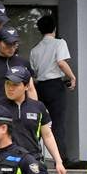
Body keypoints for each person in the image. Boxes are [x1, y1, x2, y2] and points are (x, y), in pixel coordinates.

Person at [29, 15, 76, 162]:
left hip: (40, 87)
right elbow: (61, 62)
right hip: (55, 85)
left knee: (36, 121)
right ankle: (61, 158)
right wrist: (72, 77)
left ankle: (33, 155)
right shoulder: (59, 43)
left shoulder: (34, 50)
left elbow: (34, 71)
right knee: (57, 122)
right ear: (54, 28)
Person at [0, 26, 37, 104]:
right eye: (8, 44)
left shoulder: (24, 63)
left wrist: (36, 109)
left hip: (20, 110)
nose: (12, 48)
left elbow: (30, 89)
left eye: (14, 44)